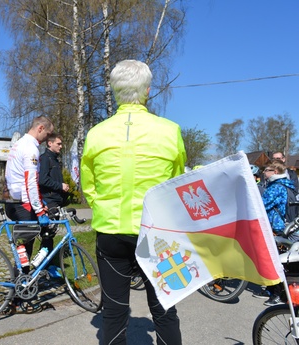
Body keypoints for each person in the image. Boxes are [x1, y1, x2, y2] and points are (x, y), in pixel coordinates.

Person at [80, 60, 186, 345]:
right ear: (148, 91)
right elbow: (176, 182)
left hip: (111, 232)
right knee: (164, 310)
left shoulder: (96, 133)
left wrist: (104, 205)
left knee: (114, 312)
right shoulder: (170, 130)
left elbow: (89, 186)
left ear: (114, 91)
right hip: (157, 233)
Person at [5, 116, 54, 268]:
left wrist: (40, 201)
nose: (46, 139)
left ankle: (21, 281)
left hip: (12, 201)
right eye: (47, 134)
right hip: (23, 204)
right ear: (40, 128)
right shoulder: (31, 148)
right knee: (25, 249)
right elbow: (30, 181)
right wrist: (39, 211)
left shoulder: (18, 143)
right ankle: (21, 284)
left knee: (22, 247)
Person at [253, 160, 296, 306]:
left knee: (273, 261)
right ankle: (272, 290)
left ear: (275, 172)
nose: (264, 173)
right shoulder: (287, 184)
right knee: (275, 259)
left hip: (276, 228)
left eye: (267, 170)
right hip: (285, 226)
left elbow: (260, 205)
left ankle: (278, 294)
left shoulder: (275, 188)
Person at [39, 132, 70, 253]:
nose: (61, 146)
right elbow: (43, 180)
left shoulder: (55, 159)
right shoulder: (45, 158)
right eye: (59, 143)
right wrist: (60, 186)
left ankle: (47, 263)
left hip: (56, 200)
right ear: (50, 143)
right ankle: (44, 265)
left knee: (50, 234)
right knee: (47, 234)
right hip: (49, 201)